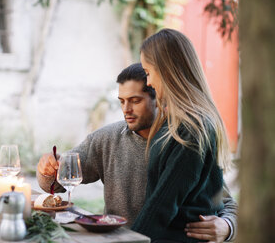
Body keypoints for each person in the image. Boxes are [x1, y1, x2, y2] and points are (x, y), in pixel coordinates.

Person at [37, 63, 237, 242]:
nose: (126, 109)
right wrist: (48, 169)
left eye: (135, 100)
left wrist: (227, 227)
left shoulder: (184, 143)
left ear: (158, 98)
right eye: (122, 101)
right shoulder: (106, 139)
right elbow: (56, 183)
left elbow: (228, 203)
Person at [130, 28, 232, 243]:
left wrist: (130, 240)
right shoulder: (175, 121)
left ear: (167, 70)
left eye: (148, 72)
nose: (147, 82)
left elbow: (162, 205)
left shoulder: (192, 127)